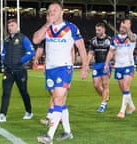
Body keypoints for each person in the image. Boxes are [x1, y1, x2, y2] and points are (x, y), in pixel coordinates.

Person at [33, 2, 89, 143]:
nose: (52, 12)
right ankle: (67, 132)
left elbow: (81, 48)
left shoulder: (71, 28)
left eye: (55, 10)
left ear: (62, 12)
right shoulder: (48, 29)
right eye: (50, 10)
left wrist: (85, 65)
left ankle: (49, 136)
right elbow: (35, 39)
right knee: (60, 101)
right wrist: (47, 24)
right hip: (50, 69)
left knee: (57, 99)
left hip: (64, 68)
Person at [0, 18, 35, 122]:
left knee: (23, 91)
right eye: (9, 26)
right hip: (8, 70)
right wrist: (4, 61)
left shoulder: (23, 38)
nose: (10, 28)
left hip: (20, 70)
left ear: (17, 27)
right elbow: (3, 52)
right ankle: (2, 114)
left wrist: (20, 61)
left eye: (12, 25)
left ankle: (29, 111)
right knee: (6, 92)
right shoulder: (6, 40)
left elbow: (31, 52)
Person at [33, 40, 75, 126]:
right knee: (53, 93)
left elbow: (72, 50)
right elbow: (44, 49)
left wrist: (71, 65)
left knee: (59, 94)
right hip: (51, 68)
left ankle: (50, 117)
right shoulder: (48, 35)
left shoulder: (66, 34)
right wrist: (40, 61)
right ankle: (60, 118)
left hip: (64, 68)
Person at [104, 19, 137, 119]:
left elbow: (132, 38)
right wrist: (106, 63)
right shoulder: (115, 38)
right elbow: (111, 51)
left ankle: (122, 111)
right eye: (122, 26)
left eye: (125, 27)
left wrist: (128, 29)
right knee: (123, 88)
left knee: (126, 86)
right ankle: (131, 106)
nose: (122, 28)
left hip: (129, 65)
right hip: (118, 66)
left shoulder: (132, 36)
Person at [87, 23, 111, 113]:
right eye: (96, 30)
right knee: (96, 85)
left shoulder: (109, 40)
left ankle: (103, 104)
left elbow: (112, 53)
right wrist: (86, 64)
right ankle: (105, 97)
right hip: (96, 65)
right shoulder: (93, 40)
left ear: (104, 30)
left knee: (105, 84)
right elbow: (90, 53)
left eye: (99, 30)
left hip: (106, 64)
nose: (97, 32)